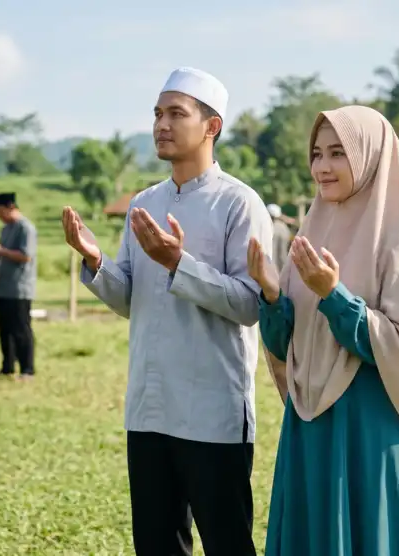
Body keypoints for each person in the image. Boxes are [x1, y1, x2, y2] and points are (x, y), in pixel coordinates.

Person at [62, 66, 272, 556]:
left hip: (213, 412)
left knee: (227, 543)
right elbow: (130, 301)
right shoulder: (146, 202)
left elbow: (250, 304)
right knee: (157, 545)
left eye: (176, 113)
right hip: (150, 409)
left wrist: (178, 263)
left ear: (212, 126)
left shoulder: (239, 204)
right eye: (157, 114)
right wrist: (95, 261)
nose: (162, 124)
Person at [247, 105, 399, 554]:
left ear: (369, 156)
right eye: (316, 154)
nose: (322, 167)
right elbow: (287, 345)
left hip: (372, 427)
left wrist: (335, 296)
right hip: (310, 426)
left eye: (337, 154)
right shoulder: (313, 227)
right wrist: (272, 295)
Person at [0, 192, 37, 381]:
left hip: (20, 288)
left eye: (1, 211)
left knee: (21, 329)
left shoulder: (25, 228)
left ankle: (27, 368)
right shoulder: (6, 229)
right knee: (4, 328)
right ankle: (7, 366)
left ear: (11, 207)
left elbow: (26, 256)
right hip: (4, 287)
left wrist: (0, 250)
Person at [268, 203, 292, 271]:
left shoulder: (269, 227)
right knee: (283, 255)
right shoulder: (284, 228)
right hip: (282, 269)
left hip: (271, 269)